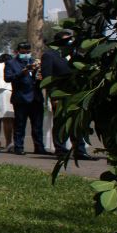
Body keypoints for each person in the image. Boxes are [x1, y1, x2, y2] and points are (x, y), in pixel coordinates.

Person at [41, 29, 88, 159]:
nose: (70, 42)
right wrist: (53, 96)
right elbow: (47, 77)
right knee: (61, 122)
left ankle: (80, 150)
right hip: (60, 95)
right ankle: (61, 150)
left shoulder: (76, 54)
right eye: (67, 40)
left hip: (76, 94)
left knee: (77, 122)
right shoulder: (50, 55)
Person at [6, 42, 45, 155]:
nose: (26, 54)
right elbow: (8, 78)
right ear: (18, 51)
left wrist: (40, 76)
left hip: (36, 98)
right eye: (24, 52)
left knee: (37, 125)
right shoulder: (11, 63)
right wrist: (22, 72)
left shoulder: (34, 61)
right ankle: (19, 147)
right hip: (21, 98)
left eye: (28, 52)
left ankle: (39, 147)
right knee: (20, 124)